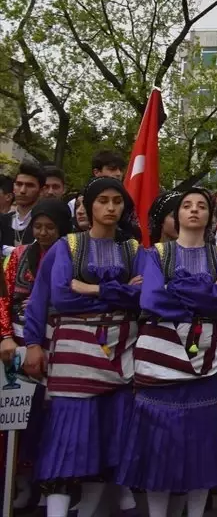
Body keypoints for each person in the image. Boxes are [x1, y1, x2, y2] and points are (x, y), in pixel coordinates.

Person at [21, 176, 143, 517]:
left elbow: (146, 295)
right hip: (73, 358)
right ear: (88, 206)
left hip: (120, 359)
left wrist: (93, 290)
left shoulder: (133, 250)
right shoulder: (67, 247)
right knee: (66, 443)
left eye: (117, 201)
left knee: (106, 445)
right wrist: (33, 342)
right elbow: (57, 297)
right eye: (103, 200)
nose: (110, 207)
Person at [117, 188, 217, 517]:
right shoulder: (154, 253)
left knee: (201, 451)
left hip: (206, 363)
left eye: (202, 206)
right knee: (160, 451)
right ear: (177, 215)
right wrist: (207, 294)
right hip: (160, 364)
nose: (194, 211)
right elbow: (151, 300)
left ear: (210, 216)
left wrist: (179, 290)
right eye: (187, 205)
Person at [0, 198, 71, 509]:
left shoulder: (70, 255)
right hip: (16, 347)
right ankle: (16, 483)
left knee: (48, 421)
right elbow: (3, 298)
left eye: (50, 228)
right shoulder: (18, 255)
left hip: (57, 346)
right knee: (17, 420)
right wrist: (4, 336)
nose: (43, 233)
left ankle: (46, 486)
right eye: (38, 227)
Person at [1, 162, 45, 251]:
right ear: (13, 187)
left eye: (30, 185)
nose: (22, 190)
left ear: (41, 190)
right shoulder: (2, 220)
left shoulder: (45, 223)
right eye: (19, 184)